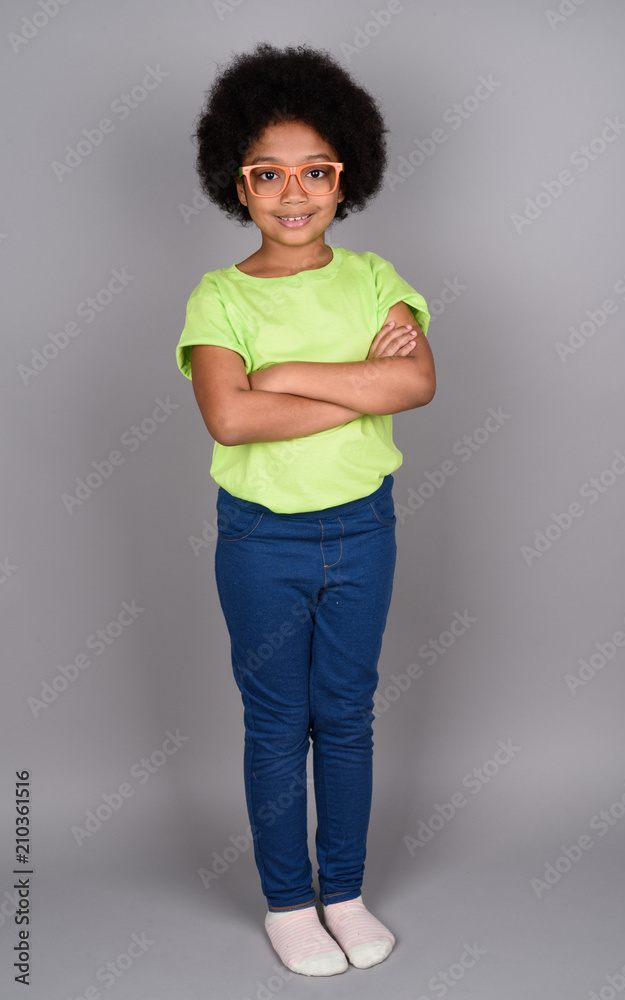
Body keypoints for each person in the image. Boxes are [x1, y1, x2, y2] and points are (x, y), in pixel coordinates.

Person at [175, 41, 435, 977]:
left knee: (349, 715)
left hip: (364, 530)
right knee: (277, 722)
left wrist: (286, 373)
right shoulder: (219, 296)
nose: (294, 192)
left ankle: (347, 892)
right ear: (235, 185)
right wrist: (352, 382)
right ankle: (290, 902)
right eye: (268, 174)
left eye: (315, 171)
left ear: (346, 174)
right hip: (260, 542)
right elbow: (230, 414)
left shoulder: (374, 277)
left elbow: (415, 383)